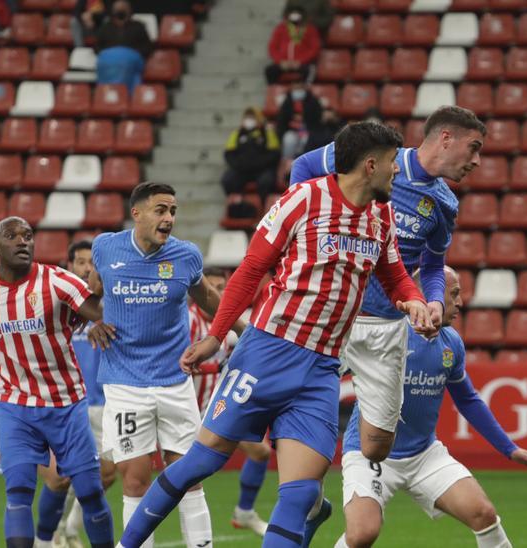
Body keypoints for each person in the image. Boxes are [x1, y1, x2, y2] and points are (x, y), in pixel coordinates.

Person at [119, 121, 436, 548]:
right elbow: (250, 270)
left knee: (303, 492)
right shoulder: (303, 199)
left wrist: (413, 300)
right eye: (394, 162)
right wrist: (216, 335)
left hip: (322, 367)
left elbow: (395, 274)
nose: (398, 171)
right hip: (268, 352)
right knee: (198, 464)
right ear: (370, 164)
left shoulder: (380, 216)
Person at [289, 105, 481, 463]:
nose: (477, 160)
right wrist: (307, 224)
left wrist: (435, 300)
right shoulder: (378, 157)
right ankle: (305, 499)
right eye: (474, 147)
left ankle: (348, 491)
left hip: (386, 325)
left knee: (377, 446)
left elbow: (433, 265)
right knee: (307, 425)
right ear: (445, 138)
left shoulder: (444, 202)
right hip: (336, 314)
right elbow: (304, 166)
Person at [335, 267, 527, 548]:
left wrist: (510, 449)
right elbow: (328, 373)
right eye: (454, 294)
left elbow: (468, 400)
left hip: (424, 455)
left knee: (484, 514)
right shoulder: (385, 335)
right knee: (363, 534)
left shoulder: (451, 344)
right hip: (370, 455)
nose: (460, 302)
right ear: (428, 295)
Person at [0, 216, 116, 548]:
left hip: (65, 403)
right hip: (14, 406)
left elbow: (99, 312)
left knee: (91, 492)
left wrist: (96, 321)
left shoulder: (57, 281)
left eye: (28, 236)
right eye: (12, 236)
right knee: (18, 493)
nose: (22, 241)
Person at [86, 182, 231, 548]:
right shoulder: (105, 247)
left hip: (174, 381)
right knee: (135, 480)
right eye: (161, 210)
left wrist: (244, 331)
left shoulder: (186, 255)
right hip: (124, 383)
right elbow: (91, 292)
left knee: (189, 475)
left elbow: (208, 298)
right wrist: (93, 320)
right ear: (137, 213)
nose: (168, 218)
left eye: (173, 211)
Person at [46, 239, 121, 548]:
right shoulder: (60, 308)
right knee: (62, 478)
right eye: (80, 262)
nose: (88, 267)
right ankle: (50, 531)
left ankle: (70, 527)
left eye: (93, 262)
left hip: (105, 402)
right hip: (69, 403)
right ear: (70, 267)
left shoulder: (112, 306)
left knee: (107, 474)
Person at [189, 267, 270, 537]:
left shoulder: (228, 320)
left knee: (261, 452)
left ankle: (244, 511)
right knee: (186, 479)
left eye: (222, 288)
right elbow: (178, 365)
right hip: (186, 409)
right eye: (212, 288)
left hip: (215, 406)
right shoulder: (188, 321)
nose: (218, 293)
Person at [221, 107, 281, 219]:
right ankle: (238, 206)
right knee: (228, 179)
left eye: (252, 118)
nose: (249, 120)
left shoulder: (267, 133)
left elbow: (274, 154)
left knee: (266, 181)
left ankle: (264, 211)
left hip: (262, 169)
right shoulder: (237, 134)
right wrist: (239, 165)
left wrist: (260, 163)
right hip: (242, 170)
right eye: (247, 118)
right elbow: (229, 154)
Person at [94, 1, 153, 92]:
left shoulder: (138, 26)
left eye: (123, 9)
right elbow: (97, 47)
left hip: (131, 60)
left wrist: (131, 54)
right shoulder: (105, 28)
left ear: (129, 11)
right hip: (109, 61)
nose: (120, 11)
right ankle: (106, 94)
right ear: (113, 11)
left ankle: (127, 94)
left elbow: (147, 47)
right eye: (117, 9)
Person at [266, 6, 321, 84]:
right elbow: (272, 48)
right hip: (284, 63)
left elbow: (314, 49)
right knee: (270, 70)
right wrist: (281, 61)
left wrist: (300, 61)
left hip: (302, 63)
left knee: (309, 70)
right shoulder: (281, 28)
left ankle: (306, 92)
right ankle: (275, 93)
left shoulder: (310, 29)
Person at [276, 82, 323, 161]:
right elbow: (282, 120)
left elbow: (317, 118)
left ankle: (304, 162)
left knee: (305, 141)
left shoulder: (313, 101)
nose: (298, 91)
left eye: (300, 89)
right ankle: (287, 162)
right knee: (288, 140)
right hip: (291, 130)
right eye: (296, 89)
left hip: (308, 130)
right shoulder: (287, 102)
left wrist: (304, 117)